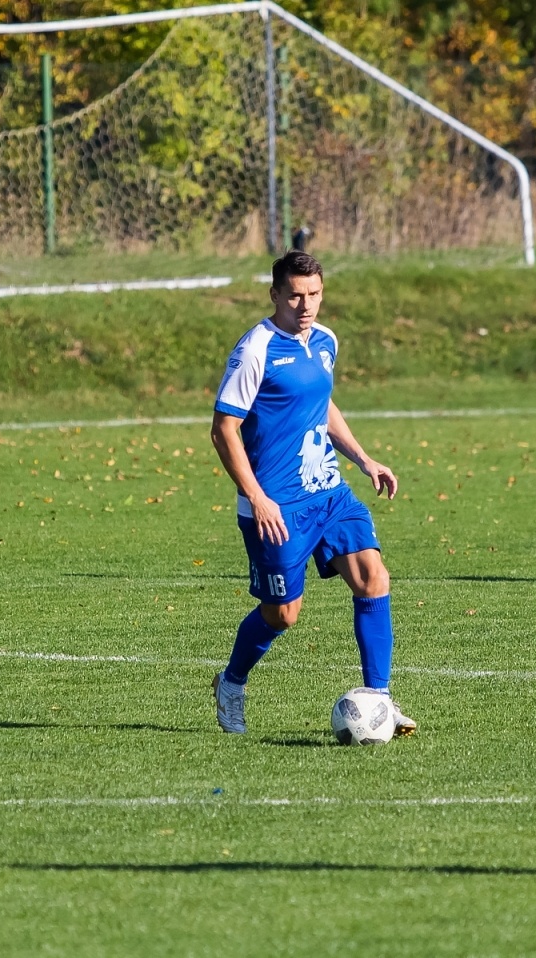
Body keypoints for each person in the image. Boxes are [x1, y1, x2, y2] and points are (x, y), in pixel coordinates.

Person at [209, 250, 413, 736]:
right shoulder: (255, 349)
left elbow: (321, 404)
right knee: (282, 615)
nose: (306, 305)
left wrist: (363, 459)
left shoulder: (325, 341)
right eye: (296, 295)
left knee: (373, 578)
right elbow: (223, 429)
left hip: (329, 493)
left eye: (315, 294)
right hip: (277, 506)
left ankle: (379, 699)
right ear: (276, 294)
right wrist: (257, 497)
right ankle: (231, 682)